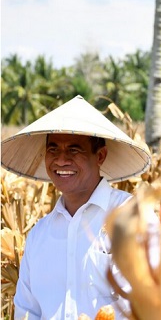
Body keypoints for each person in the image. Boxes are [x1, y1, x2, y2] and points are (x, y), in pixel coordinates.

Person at [1, 95, 151, 319]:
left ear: (100, 156)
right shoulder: (38, 236)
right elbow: (27, 312)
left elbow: (147, 304)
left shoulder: (130, 217)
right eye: (53, 150)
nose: (61, 161)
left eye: (74, 150)